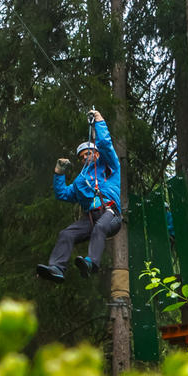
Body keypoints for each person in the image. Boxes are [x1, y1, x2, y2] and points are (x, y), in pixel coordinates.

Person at [36, 109, 122, 283]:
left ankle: (92, 263)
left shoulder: (109, 166)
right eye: (82, 157)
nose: (85, 158)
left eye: (88, 153)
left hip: (110, 214)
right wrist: (59, 173)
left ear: (97, 154)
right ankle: (57, 268)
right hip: (89, 219)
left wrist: (98, 121)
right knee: (66, 234)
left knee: (100, 227)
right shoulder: (80, 181)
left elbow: (105, 144)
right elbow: (63, 194)